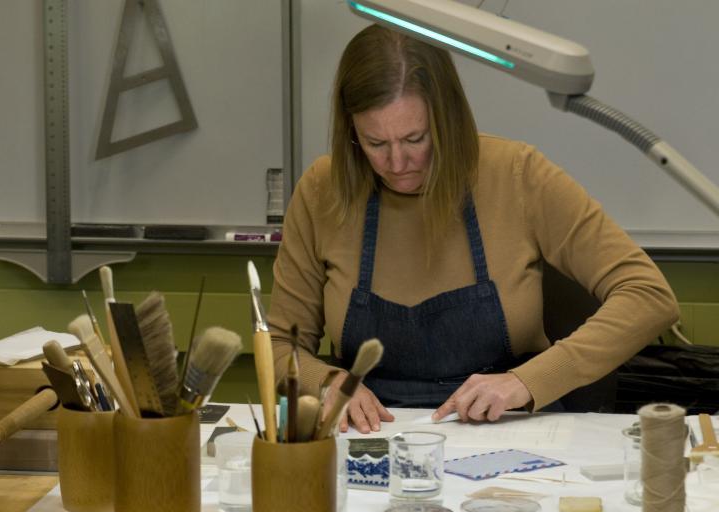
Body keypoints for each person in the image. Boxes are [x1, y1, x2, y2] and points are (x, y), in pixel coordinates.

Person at [266, 24, 679, 433]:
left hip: (509, 425)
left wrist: (528, 381)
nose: (396, 163)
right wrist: (326, 381)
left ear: (448, 121)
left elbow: (648, 296)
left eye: (415, 138)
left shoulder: (517, 175)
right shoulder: (323, 188)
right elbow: (278, 345)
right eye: (374, 143)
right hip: (373, 432)